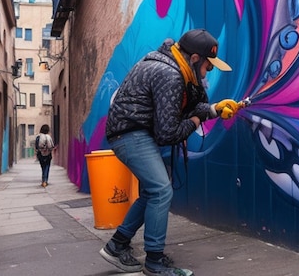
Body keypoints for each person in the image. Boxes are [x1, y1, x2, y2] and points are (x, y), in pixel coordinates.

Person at [100, 29, 240, 276]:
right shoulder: (170, 74)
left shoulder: (171, 64)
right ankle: (154, 263)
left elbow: (183, 105)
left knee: (152, 192)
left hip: (130, 132)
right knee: (161, 190)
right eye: (209, 66)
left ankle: (117, 245)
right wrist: (198, 119)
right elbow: (169, 134)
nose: (210, 72)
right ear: (195, 58)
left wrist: (215, 109)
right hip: (130, 134)